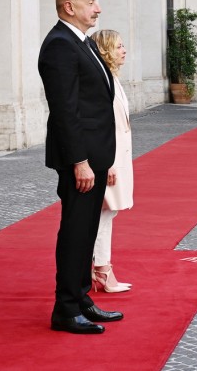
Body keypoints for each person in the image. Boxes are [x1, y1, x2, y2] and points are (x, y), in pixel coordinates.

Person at [38, 0, 123, 334]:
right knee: (75, 232)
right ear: (69, 7)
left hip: (95, 156)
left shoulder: (81, 42)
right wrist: (79, 161)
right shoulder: (60, 45)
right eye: (91, 3)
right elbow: (65, 110)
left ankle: (82, 299)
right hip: (81, 160)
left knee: (87, 231)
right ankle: (65, 309)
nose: (98, 8)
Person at [89, 30, 134, 294]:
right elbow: (102, 126)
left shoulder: (113, 78)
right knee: (103, 214)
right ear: (105, 50)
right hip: (110, 159)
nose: (124, 50)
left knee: (108, 212)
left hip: (119, 157)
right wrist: (108, 164)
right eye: (118, 46)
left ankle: (101, 269)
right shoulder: (102, 81)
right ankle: (102, 271)